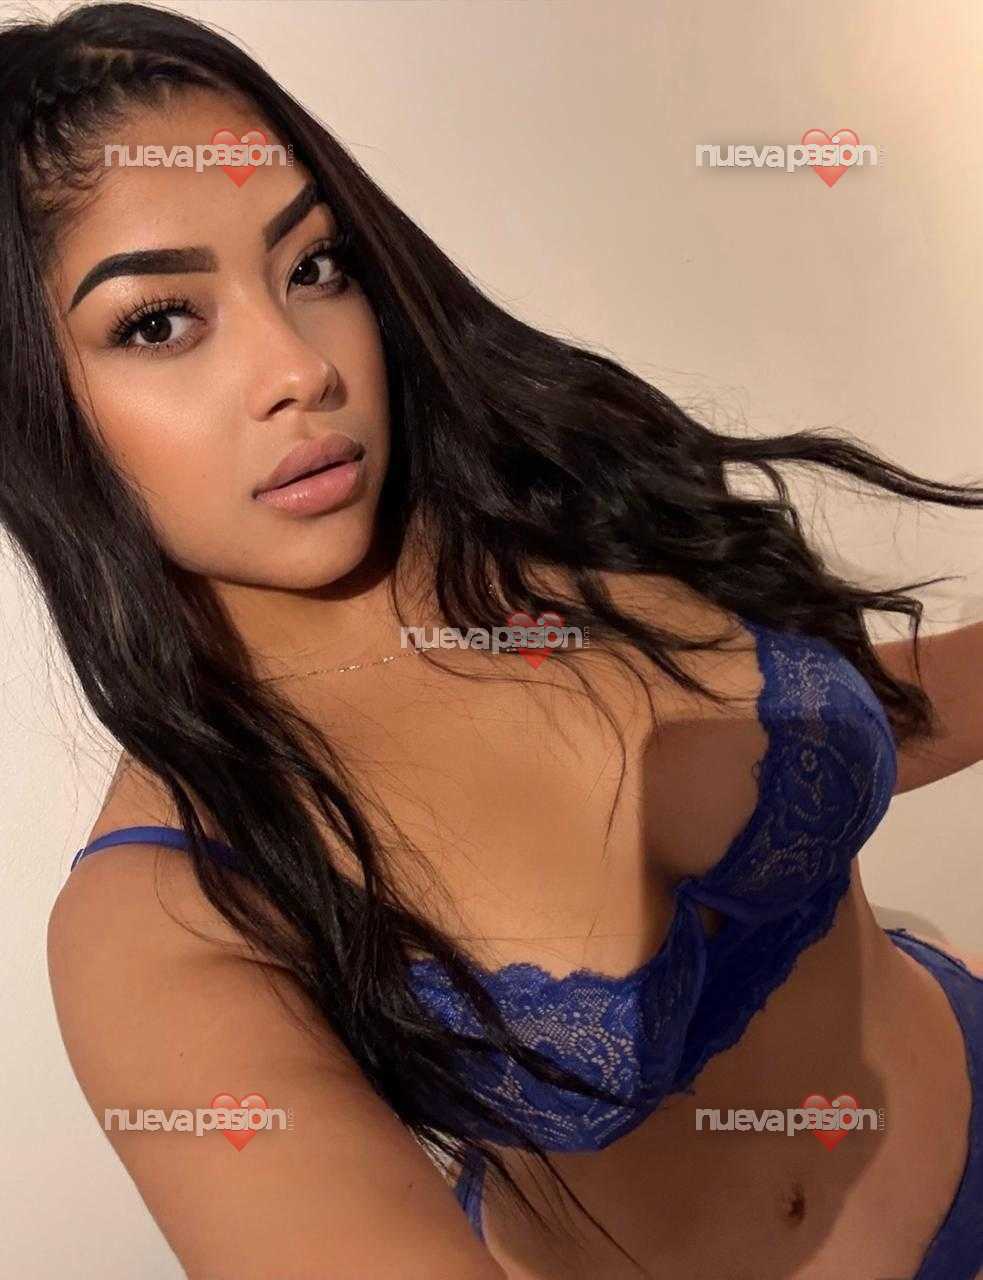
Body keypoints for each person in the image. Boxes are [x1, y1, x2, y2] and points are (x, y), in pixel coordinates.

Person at [2, 3, 980, 1277]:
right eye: (157, 323)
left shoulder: (563, 498)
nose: (300, 367)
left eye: (314, 266)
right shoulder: (164, 911)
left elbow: (830, 725)